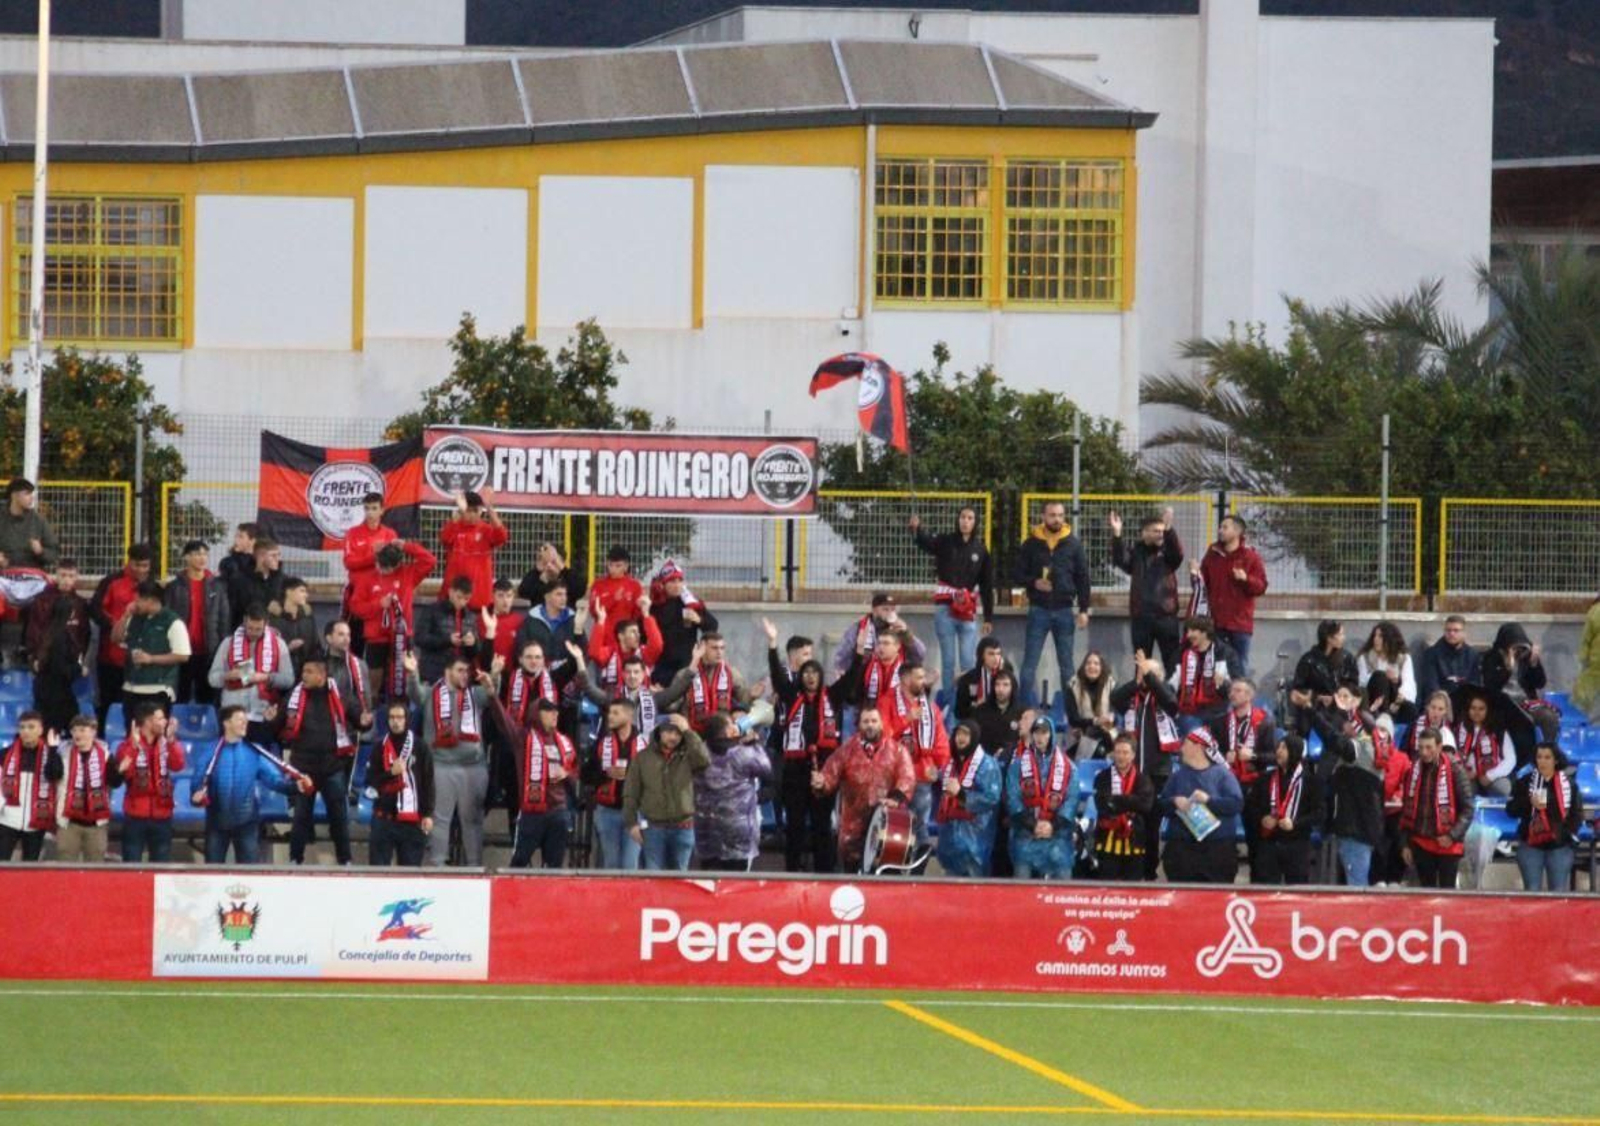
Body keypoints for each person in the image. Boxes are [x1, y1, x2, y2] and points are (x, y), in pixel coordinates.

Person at [765, 617, 860, 873]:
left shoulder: (832, 697)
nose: (810, 677)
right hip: (794, 770)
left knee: (822, 825)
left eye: (814, 673)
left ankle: (824, 872)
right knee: (794, 825)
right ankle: (792, 871)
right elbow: (777, 675)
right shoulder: (790, 695)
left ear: (820, 676)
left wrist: (860, 653)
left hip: (825, 770)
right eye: (806, 673)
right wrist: (773, 644)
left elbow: (852, 678)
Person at [407, 651, 496, 867]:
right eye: (460, 670)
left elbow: (491, 694)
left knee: (473, 820)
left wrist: (495, 675)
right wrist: (412, 673)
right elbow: (415, 694)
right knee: (439, 818)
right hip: (440, 765)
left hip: (473, 767)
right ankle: (438, 865)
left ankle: (474, 865)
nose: (465, 675)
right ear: (447, 672)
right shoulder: (431, 693)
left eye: (467, 671)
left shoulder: (474, 694)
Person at [191, 704, 308, 864]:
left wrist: (295, 786)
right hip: (217, 823)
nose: (245, 723)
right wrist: (196, 796)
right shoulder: (209, 752)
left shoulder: (254, 752)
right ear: (226, 723)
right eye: (240, 720)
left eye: (245, 720)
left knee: (249, 870)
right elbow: (197, 784)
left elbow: (274, 780)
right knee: (213, 871)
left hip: (247, 824)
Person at [274, 656, 357, 866]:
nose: (304, 676)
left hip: (332, 767)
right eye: (303, 672)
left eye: (309, 672)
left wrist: (366, 721)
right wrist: (271, 719)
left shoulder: (340, 695)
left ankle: (345, 860)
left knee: (339, 818)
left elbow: (359, 721)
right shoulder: (294, 696)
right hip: (304, 770)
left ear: (322, 675)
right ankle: (295, 860)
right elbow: (276, 726)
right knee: (300, 818)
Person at [813, 706, 916, 874]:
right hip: (853, 827)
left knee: (885, 873)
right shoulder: (846, 750)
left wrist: (895, 798)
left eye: (874, 721)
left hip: (885, 827)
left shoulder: (897, 751)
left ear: (881, 724)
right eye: (866, 721)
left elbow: (907, 777)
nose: (870, 725)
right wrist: (821, 783)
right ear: (859, 725)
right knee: (853, 874)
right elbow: (830, 773)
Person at [1013, 501, 1092, 707]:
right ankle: (1023, 711)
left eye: (1060, 515)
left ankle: (1069, 712)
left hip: (1065, 610)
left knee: (1067, 666)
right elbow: (1017, 573)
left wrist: (1084, 609)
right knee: (1029, 664)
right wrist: (1034, 582)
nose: (1057, 519)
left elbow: (1083, 578)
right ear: (1043, 517)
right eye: (1052, 515)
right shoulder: (1031, 544)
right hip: (1038, 610)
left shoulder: (1073, 544)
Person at [1109, 649, 1180, 878]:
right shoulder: (1132, 698)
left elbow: (1171, 702)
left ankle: (1149, 873)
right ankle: (1129, 870)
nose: (1146, 677)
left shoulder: (1166, 694)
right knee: (1130, 821)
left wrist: (1150, 677)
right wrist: (1136, 682)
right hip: (1131, 772)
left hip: (1157, 772)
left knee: (1151, 825)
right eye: (1142, 671)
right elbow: (1114, 699)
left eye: (1150, 673)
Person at [909, 507, 995, 695]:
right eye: (963, 517)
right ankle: (948, 700)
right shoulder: (945, 541)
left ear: (975, 522)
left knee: (968, 661)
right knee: (948, 661)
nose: (965, 521)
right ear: (958, 520)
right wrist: (917, 529)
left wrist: (988, 617)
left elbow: (987, 585)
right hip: (945, 609)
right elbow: (926, 543)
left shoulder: (980, 550)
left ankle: (966, 701)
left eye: (970, 518)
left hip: (967, 611)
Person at [489, 694, 578, 870]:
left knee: (554, 866)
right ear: (536, 714)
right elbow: (504, 722)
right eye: (549, 711)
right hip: (532, 811)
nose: (555, 714)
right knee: (519, 862)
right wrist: (493, 696)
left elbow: (576, 772)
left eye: (556, 711)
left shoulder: (564, 741)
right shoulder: (523, 737)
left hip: (558, 811)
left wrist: (566, 774)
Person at [347, 539, 437, 701]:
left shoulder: (408, 574)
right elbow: (355, 607)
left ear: (397, 565)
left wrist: (406, 546)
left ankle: (402, 708)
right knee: (374, 678)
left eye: (387, 568)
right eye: (379, 565)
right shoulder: (367, 578)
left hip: (402, 634)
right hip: (376, 636)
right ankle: (372, 707)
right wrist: (378, 605)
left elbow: (430, 561)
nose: (382, 570)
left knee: (404, 676)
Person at [623, 713, 710, 871]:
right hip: (653, 828)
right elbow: (631, 793)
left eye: (678, 733)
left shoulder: (688, 756)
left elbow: (704, 760)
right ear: (659, 732)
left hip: (683, 827)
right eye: (669, 732)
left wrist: (688, 731)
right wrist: (631, 824)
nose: (673, 737)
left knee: (679, 877)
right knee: (654, 876)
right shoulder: (642, 758)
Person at [1159, 727, 1244, 883]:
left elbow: (1236, 804)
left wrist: (1209, 801)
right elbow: (1161, 805)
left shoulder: (1223, 774)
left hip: (1217, 849)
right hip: (1182, 849)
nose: (1181, 749)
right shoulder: (1177, 776)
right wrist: (1174, 802)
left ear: (1198, 747)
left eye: (1185, 744)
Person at [694, 711, 773, 871]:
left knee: (709, 879)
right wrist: (755, 744)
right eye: (732, 724)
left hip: (706, 828)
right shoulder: (742, 753)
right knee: (735, 881)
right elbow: (765, 767)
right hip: (737, 830)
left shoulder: (699, 752)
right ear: (728, 731)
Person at [1211, 677, 1274, 873]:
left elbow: (1273, 756)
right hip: (1226, 783)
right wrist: (1223, 757)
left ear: (1250, 695)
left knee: (1255, 835)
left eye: (1238, 690)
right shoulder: (1220, 722)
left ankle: (1257, 878)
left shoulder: (1264, 722)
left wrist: (1252, 756)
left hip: (1253, 785)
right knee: (1222, 833)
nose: (1232, 694)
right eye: (1231, 690)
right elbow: (1209, 753)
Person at [1191, 515, 1268, 674]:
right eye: (1220, 527)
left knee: (1240, 666)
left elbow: (1261, 587)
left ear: (1237, 531)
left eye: (1225, 527)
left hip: (1240, 624)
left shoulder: (1250, 556)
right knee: (1215, 667)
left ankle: (1240, 690)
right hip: (1216, 623)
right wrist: (1195, 574)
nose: (1220, 531)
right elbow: (1203, 585)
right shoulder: (1213, 554)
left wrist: (1246, 579)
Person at [1110, 507, 1184, 671]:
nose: (1160, 534)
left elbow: (1178, 554)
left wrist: (1169, 529)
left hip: (1166, 617)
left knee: (1173, 664)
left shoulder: (1168, 553)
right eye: (1156, 531)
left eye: (1162, 531)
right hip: (1141, 618)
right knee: (1142, 665)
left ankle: (1171, 688)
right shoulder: (1136, 552)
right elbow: (1121, 560)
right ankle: (1142, 689)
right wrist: (1117, 534)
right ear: (1144, 533)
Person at [1004, 715, 1077, 880]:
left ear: (1051, 735)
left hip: (1057, 836)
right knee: (1022, 880)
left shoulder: (1068, 767)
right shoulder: (1018, 766)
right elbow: (1012, 798)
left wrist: (1053, 825)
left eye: (1044, 733)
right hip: (1026, 833)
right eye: (1036, 732)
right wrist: (1032, 824)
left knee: (1062, 877)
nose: (1040, 737)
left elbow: (1071, 800)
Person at [210, 606, 294, 746]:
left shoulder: (279, 645)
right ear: (244, 622)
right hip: (232, 715)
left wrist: (266, 677)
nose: (253, 633)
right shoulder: (228, 643)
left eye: (258, 629)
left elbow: (288, 679)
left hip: (262, 715)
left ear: (266, 624)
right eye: (250, 628)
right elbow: (212, 679)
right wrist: (227, 676)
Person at [89, 543, 152, 730]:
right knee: (107, 702)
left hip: (140, 658)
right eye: (137, 565)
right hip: (110, 655)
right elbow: (96, 609)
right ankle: (102, 739)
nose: (141, 570)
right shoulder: (111, 582)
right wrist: (115, 625)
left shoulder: (152, 586)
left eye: (145, 566)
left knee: (136, 706)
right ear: (129, 562)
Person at [1400, 728, 1472, 889]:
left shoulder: (1455, 770)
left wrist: (1452, 835)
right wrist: (1405, 844)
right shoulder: (1413, 770)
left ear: (1439, 747)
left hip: (1448, 845)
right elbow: (1406, 810)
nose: (1424, 752)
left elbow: (1468, 809)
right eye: (1421, 747)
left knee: (1447, 894)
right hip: (1421, 842)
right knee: (1426, 894)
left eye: (1429, 747)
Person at [364, 700, 434, 867]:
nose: (395, 721)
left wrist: (428, 814)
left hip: (412, 819)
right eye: (392, 717)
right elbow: (370, 782)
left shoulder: (420, 746)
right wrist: (391, 773)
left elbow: (428, 782)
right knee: (378, 872)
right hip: (384, 818)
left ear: (407, 720)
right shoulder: (379, 746)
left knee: (410, 874)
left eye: (400, 717)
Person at [1507, 743, 1584, 892]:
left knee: (1558, 892)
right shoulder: (1525, 782)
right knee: (1532, 890)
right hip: (1531, 844)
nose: (1542, 761)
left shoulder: (1569, 784)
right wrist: (1529, 802)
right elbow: (1511, 810)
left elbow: (1577, 814)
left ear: (1556, 760)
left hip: (1559, 845)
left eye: (1547, 757)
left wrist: (1567, 834)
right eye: (1539, 757)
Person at [1322, 708, 1385, 888]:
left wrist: (1310, 710)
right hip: (1360, 828)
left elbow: (1332, 739)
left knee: (1356, 884)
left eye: (1347, 723)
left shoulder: (1360, 751)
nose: (1343, 727)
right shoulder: (1373, 750)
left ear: (1356, 726)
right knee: (1356, 879)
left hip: (1355, 829)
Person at [115, 701, 186, 863]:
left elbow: (178, 765)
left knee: (161, 865)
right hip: (135, 816)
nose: (165, 722)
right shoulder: (126, 745)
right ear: (147, 721)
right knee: (132, 865)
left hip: (162, 814)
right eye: (160, 719)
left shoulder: (166, 743)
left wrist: (171, 741)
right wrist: (134, 747)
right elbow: (125, 773)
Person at [25, 559, 90, 733]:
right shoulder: (42, 601)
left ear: (76, 577)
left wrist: (80, 660)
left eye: (71, 576)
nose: (67, 580)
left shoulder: (81, 604)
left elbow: (84, 634)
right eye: (63, 575)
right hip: (53, 673)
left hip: (65, 673)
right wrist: (34, 657)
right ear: (56, 576)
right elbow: (33, 631)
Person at [893, 662, 950, 859]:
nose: (923, 681)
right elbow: (883, 738)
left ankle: (919, 863)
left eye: (923, 677)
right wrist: (906, 720)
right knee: (898, 825)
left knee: (919, 824)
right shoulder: (888, 702)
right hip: (895, 777)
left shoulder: (931, 709)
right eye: (919, 677)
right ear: (905, 679)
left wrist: (937, 765)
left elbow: (942, 743)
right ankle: (900, 864)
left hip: (922, 775)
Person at [585, 697, 649, 869]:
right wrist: (605, 774)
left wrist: (630, 775)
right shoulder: (601, 742)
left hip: (635, 812)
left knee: (630, 865)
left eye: (615, 713)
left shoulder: (645, 744)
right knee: (611, 864)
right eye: (609, 713)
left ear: (629, 716)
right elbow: (586, 775)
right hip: (607, 811)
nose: (610, 717)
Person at [164, 540, 230, 705]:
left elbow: (224, 619)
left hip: (208, 651)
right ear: (186, 557)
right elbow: (166, 618)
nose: (202, 558)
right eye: (197, 554)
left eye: (205, 554)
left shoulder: (217, 587)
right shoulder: (174, 587)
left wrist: (223, 647)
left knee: (206, 698)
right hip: (181, 652)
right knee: (180, 696)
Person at [114, 580, 191, 719]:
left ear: (150, 600)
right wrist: (125, 616)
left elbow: (183, 655)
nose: (135, 603)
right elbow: (116, 638)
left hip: (158, 689)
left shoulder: (173, 621)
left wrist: (151, 659)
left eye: (138, 600)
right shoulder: (134, 618)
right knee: (132, 729)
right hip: (131, 686)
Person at [1247, 735, 1319, 885]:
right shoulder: (1265, 778)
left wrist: (1295, 823)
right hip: (1269, 843)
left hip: (1297, 844)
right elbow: (1251, 806)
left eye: (1284, 747)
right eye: (1278, 747)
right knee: (1265, 889)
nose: (1278, 751)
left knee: (1297, 890)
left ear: (1295, 751)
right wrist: (1262, 819)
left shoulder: (1311, 781)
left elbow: (1319, 814)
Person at [1478, 622, 1552, 768]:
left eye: (1520, 647)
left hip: (1526, 702)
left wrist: (1534, 664)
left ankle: (1547, 754)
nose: (1517, 651)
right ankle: (1522, 760)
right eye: (1514, 647)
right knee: (1520, 721)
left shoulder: (1526, 658)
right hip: (1503, 703)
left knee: (1548, 717)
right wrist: (1508, 668)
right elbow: (1490, 686)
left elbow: (1540, 683)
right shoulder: (1491, 657)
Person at [934, 719, 1001, 877]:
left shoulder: (988, 765)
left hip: (975, 843)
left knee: (975, 889)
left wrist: (962, 794)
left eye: (966, 734)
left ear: (974, 737)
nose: (961, 738)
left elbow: (991, 798)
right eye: (958, 733)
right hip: (950, 842)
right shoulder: (951, 763)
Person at [1091, 732, 1155, 882]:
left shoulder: (1143, 780)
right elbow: (1103, 805)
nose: (1121, 756)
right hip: (1107, 840)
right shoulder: (1102, 777)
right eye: (1118, 752)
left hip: (1135, 841)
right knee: (1106, 888)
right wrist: (1131, 803)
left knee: (1133, 889)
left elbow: (1145, 806)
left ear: (1133, 755)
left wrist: (1117, 801)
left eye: (1125, 752)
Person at [53, 714, 118, 863]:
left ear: (93, 732)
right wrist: (52, 750)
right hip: (68, 821)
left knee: (95, 869)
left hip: (96, 823)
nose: (77, 734)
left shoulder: (106, 755)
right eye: (74, 730)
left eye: (82, 730)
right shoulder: (62, 754)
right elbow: (52, 775)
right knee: (65, 868)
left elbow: (115, 783)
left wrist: (119, 771)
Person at [341, 492, 399, 653]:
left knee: (383, 645)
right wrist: (375, 556)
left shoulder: (390, 534)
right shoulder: (353, 533)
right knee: (354, 644)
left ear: (382, 510)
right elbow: (349, 563)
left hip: (383, 595)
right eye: (366, 509)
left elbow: (394, 564)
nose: (370, 513)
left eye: (374, 508)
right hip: (359, 595)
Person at [0, 712, 61, 860]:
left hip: (36, 821)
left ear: (40, 730)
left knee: (30, 865)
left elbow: (54, 775)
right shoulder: (4, 754)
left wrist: (52, 750)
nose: (26, 731)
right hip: (6, 820)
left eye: (31, 727)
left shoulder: (51, 754)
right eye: (22, 727)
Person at [650, 561, 717, 686]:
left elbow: (713, 626)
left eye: (680, 581)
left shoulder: (690, 603)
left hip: (687, 664)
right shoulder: (655, 607)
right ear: (663, 584)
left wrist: (699, 620)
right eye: (672, 581)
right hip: (662, 666)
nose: (677, 585)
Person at [439, 488, 508, 610]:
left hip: (479, 599)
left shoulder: (486, 530)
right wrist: (459, 512)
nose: (472, 515)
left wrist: (489, 508)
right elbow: (444, 538)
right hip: (454, 599)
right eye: (468, 510)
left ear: (481, 511)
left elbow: (502, 536)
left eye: (475, 510)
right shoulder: (454, 527)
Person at [831, 592, 926, 679]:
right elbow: (842, 658)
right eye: (885, 609)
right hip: (865, 680)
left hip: (894, 679)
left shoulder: (899, 629)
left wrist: (907, 635)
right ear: (874, 610)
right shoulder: (859, 628)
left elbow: (920, 655)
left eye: (892, 609)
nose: (890, 613)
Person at [669, 633, 749, 735]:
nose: (719, 652)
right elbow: (672, 706)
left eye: (722, 648)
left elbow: (744, 702)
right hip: (692, 733)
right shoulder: (685, 674)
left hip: (723, 734)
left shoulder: (731, 674)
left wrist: (751, 696)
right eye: (714, 648)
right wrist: (662, 695)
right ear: (702, 649)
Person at [1288, 619, 1358, 734]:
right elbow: (1298, 688)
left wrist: (1336, 698)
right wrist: (1315, 697)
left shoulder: (1347, 659)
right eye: (1340, 634)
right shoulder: (1309, 660)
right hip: (1314, 707)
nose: (1343, 637)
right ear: (1329, 638)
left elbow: (1353, 686)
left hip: (1339, 709)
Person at [1169, 616, 1234, 734]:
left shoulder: (1225, 653)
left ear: (1205, 632)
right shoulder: (1181, 654)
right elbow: (1170, 685)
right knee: (1193, 733)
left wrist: (1224, 684)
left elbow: (1237, 686)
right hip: (1188, 712)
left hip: (1218, 711)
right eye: (1187, 631)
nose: (1188, 635)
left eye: (1193, 631)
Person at [588, 594, 663, 689]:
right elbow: (594, 653)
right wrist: (601, 621)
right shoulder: (609, 653)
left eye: (638, 632)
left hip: (640, 696)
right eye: (633, 632)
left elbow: (657, 645)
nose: (638, 635)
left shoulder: (643, 653)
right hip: (613, 696)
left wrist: (646, 614)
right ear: (621, 636)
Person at [416, 577, 483, 683]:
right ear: (450, 592)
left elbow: (475, 651)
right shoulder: (432, 610)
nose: (462, 602)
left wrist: (473, 643)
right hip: (434, 673)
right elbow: (420, 638)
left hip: (460, 676)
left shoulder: (470, 617)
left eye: (466, 599)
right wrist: (447, 640)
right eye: (459, 597)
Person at [1456, 686, 1515, 797]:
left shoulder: (1498, 731)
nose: (1476, 712)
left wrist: (1490, 776)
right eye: (1473, 708)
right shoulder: (1459, 730)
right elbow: (1453, 756)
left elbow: (1511, 759)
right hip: (1468, 776)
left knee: (1503, 788)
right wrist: (1464, 773)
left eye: (1481, 709)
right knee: (1463, 791)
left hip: (1492, 776)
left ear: (1488, 710)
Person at [322, 620, 374, 741]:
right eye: (341, 634)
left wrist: (363, 721)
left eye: (348, 635)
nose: (346, 639)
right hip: (324, 728)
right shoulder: (318, 664)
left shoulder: (359, 665)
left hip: (350, 731)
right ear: (329, 638)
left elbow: (366, 702)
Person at [1357, 622, 1418, 725]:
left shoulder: (1403, 658)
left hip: (1394, 700)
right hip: (1373, 700)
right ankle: (1384, 717)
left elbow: (1409, 682)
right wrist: (1383, 675)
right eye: (1375, 636)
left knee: (1411, 709)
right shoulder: (1365, 658)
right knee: (1380, 677)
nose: (1376, 639)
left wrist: (1396, 681)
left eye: (1380, 636)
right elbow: (1361, 684)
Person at [513, 582, 581, 667]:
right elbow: (521, 646)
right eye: (559, 594)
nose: (564, 598)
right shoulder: (532, 619)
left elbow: (582, 647)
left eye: (565, 594)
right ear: (547, 597)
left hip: (567, 671)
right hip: (537, 669)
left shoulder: (573, 619)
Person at [1064, 651, 1116, 760]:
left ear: (1102, 667)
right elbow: (1073, 719)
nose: (1092, 666)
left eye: (1096, 663)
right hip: (1081, 735)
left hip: (1106, 734)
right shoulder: (1072, 686)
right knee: (1091, 737)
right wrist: (1095, 721)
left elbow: (1116, 714)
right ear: (1084, 666)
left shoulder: (1111, 684)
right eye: (1088, 663)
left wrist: (1110, 720)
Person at [1417, 615, 1481, 702]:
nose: (1451, 633)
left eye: (1456, 630)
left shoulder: (1472, 655)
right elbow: (1431, 686)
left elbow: (1475, 684)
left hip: (1465, 703)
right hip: (1440, 704)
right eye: (1448, 630)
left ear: (1464, 633)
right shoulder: (1431, 654)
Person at [227, 537, 286, 629]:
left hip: (275, 631)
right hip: (248, 630)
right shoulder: (241, 580)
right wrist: (267, 605)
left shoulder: (282, 579)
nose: (277, 559)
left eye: (278, 555)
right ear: (260, 556)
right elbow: (237, 607)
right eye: (273, 555)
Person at [0, 477, 58, 569]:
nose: (31, 498)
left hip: (32, 573)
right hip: (4, 573)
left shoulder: (38, 521)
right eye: (27, 494)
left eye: (31, 494)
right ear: (14, 495)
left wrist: (40, 551)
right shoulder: (2, 519)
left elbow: (53, 554)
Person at [972, 669, 1027, 762]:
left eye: (1005, 685)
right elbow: (974, 739)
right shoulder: (981, 711)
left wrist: (1008, 751)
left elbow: (1026, 741)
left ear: (1013, 687)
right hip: (984, 762)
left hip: (1013, 762)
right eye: (997, 684)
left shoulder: (1022, 713)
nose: (1000, 689)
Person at [954, 636, 1012, 722]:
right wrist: (975, 707)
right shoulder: (969, 679)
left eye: (998, 654)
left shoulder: (1007, 677)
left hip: (1001, 721)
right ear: (981, 656)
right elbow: (959, 712)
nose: (996, 658)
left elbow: (1014, 705)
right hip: (976, 722)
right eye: (991, 654)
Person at [270, 578, 318, 679]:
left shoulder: (308, 617)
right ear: (288, 592)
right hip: (280, 672)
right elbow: (266, 651)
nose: (306, 595)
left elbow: (316, 645)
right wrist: (287, 648)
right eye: (302, 591)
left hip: (304, 673)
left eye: (306, 592)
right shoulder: (272, 619)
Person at [516, 541, 587, 609]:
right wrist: (537, 570)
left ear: (561, 562)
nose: (549, 566)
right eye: (545, 562)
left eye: (553, 562)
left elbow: (579, 590)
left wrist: (562, 568)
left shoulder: (568, 578)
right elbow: (523, 592)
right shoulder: (536, 579)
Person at [589, 544, 646, 627]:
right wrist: (613, 600)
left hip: (625, 633)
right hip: (603, 632)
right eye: (610, 565)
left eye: (618, 566)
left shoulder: (634, 585)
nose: (613, 569)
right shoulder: (598, 585)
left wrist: (641, 606)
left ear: (626, 566)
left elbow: (637, 616)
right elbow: (593, 611)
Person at [486, 579, 527, 669]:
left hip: (512, 672)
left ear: (513, 597)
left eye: (509, 596)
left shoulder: (520, 621)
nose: (505, 601)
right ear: (492, 596)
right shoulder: (483, 620)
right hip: (488, 671)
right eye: (500, 596)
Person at [216, 523, 259, 588]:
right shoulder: (227, 562)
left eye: (241, 537)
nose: (236, 540)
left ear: (252, 541)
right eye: (236, 536)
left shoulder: (259, 563)